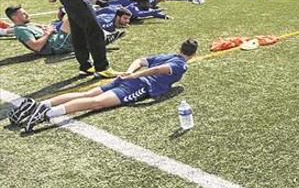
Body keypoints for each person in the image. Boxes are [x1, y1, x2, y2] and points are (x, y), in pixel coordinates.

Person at [10, 39, 198, 133]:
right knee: (96, 102)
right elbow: (158, 70)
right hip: (138, 86)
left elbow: (141, 60)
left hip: (127, 80)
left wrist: (128, 71)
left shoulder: (169, 54)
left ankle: (40, 105)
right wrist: (135, 75)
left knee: (86, 94)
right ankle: (46, 114)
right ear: (193, 54)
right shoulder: (180, 64)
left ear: (180, 48)